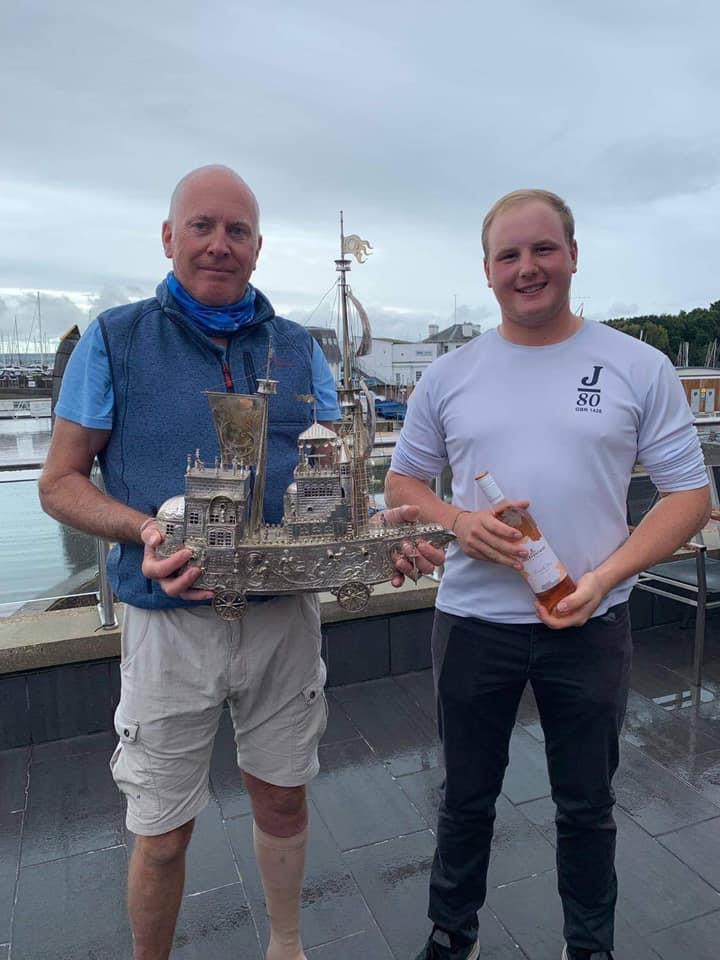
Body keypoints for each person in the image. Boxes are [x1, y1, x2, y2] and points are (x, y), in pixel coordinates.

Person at [38, 164, 428, 960]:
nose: (220, 245)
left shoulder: (296, 348)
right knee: (161, 828)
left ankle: (285, 946)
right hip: (167, 625)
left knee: (284, 798)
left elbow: (334, 474)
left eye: (238, 230)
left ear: (257, 246)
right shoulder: (115, 338)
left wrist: (381, 523)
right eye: (203, 227)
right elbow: (59, 482)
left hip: (284, 616)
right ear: (169, 237)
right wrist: (145, 531)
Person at [385, 188, 711, 960]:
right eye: (509, 255)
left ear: (571, 254)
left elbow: (691, 497)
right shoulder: (448, 376)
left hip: (590, 621)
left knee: (587, 803)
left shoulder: (637, 365)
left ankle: (588, 946)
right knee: (464, 798)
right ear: (488, 270)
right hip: (472, 622)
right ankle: (450, 933)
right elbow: (404, 483)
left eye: (543, 250)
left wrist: (606, 577)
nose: (527, 268)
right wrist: (458, 521)